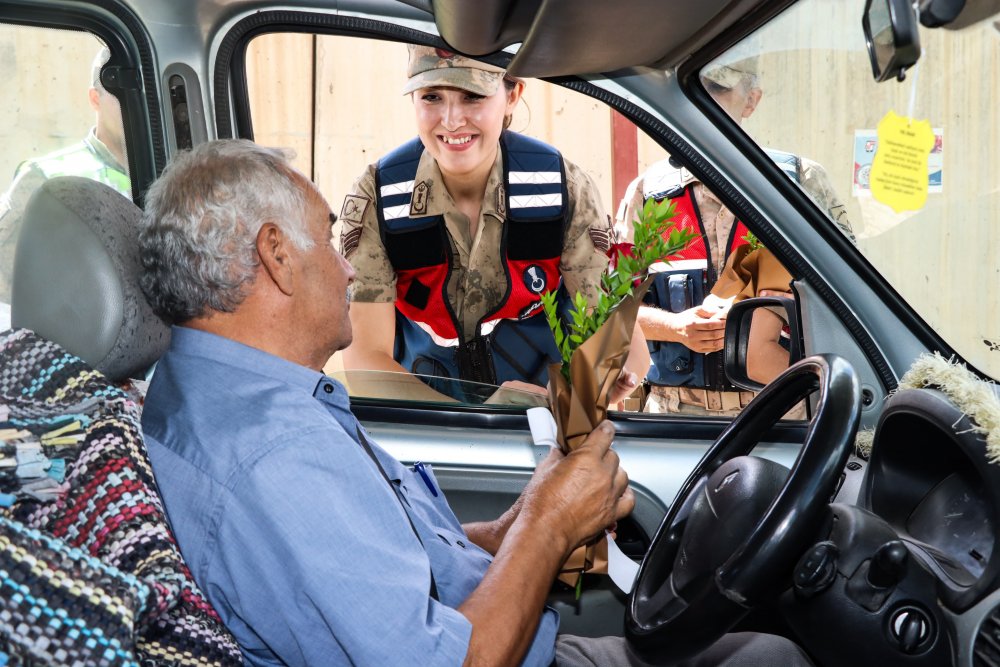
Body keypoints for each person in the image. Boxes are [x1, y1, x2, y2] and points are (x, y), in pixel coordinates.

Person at [138, 139, 813, 667]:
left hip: (492, 629)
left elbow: (374, 558)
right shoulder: (271, 456)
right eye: (326, 240)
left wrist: (520, 522)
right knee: (777, 654)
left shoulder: (222, 396)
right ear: (277, 256)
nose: (349, 269)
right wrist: (548, 527)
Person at [338, 45, 645, 402]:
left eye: (473, 96)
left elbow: (620, 340)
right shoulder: (379, 196)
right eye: (432, 97)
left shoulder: (562, 188)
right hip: (422, 425)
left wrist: (594, 386)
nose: (451, 120)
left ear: (512, 96)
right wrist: (477, 420)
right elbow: (364, 361)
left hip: (543, 421)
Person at [615, 57, 851, 416]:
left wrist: (788, 306)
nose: (702, 102)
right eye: (691, 90)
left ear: (752, 100)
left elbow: (850, 300)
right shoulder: (648, 193)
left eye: (718, 89)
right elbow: (612, 310)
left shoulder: (799, 184)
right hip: (673, 417)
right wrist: (676, 327)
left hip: (778, 414)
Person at [0, 46, 130, 308]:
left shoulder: (171, 170)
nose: (131, 108)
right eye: (120, 98)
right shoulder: (44, 178)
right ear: (95, 99)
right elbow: (6, 287)